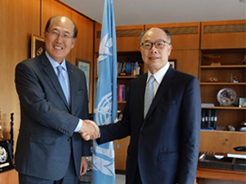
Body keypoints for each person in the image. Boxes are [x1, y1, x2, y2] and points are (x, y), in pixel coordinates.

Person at [92, 28, 201, 184]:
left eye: (159, 44)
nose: (153, 49)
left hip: (166, 174)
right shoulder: (135, 84)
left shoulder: (186, 84)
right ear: (141, 50)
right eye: (147, 44)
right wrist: (97, 132)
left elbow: (191, 138)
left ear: (169, 49)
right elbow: (128, 124)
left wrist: (186, 181)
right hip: (135, 170)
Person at [15, 15, 99, 184]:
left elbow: (81, 112)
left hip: (71, 163)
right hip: (38, 162)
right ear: (46, 35)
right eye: (55, 32)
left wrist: (82, 154)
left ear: (73, 42)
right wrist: (81, 126)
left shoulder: (79, 75)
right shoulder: (27, 69)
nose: (60, 39)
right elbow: (39, 108)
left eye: (66, 35)